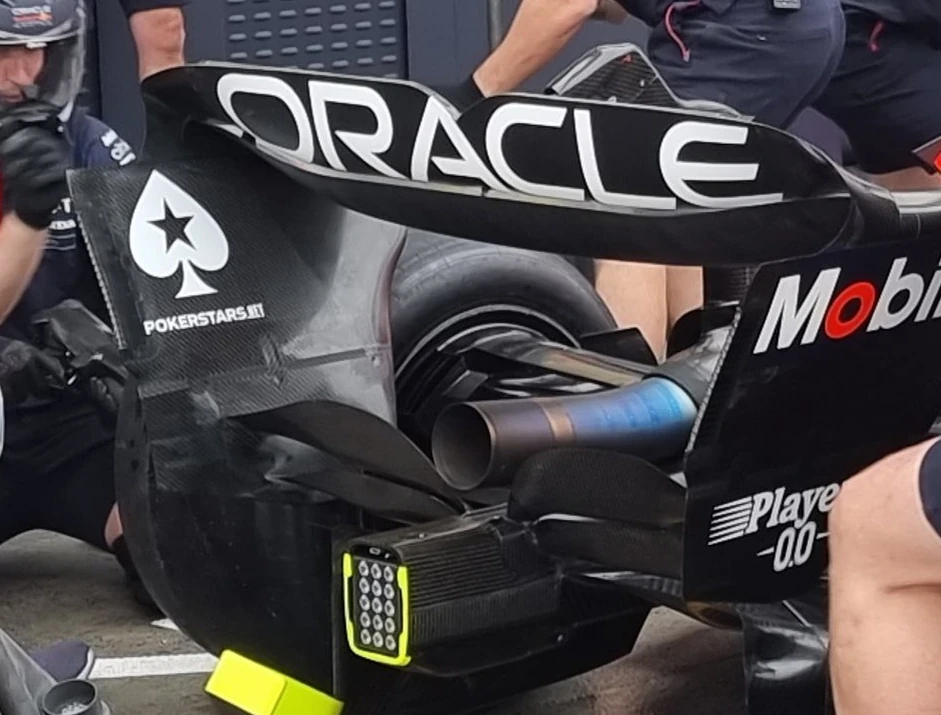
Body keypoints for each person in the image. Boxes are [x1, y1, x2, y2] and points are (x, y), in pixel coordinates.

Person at [443, 0, 846, 358]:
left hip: (750, 28)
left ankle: (626, 402)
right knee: (682, 200)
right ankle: (690, 372)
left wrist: (469, 100)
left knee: (626, 201)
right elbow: (610, 9)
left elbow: (569, 5)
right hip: (801, 25)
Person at [0, 0, 158, 614]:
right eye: (6, 52)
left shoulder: (90, 145)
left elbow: (156, 279)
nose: (24, 74)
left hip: (72, 425)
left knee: (171, 564)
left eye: (38, 51)